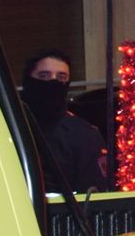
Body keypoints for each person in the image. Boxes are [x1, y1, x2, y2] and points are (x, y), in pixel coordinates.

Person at [20, 50, 108, 193]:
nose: (53, 82)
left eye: (61, 77)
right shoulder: (7, 125)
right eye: (44, 76)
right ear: (28, 80)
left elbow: (94, 192)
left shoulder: (84, 135)